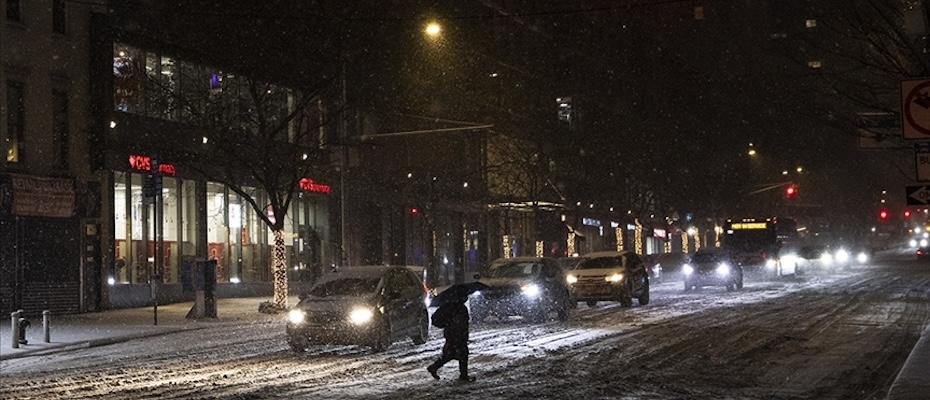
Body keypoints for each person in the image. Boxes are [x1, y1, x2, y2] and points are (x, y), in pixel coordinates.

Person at [427, 299, 475, 382]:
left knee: (451, 354)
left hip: (453, 334)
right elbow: (463, 324)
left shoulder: (448, 306)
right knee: (463, 354)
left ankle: (434, 367)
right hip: (456, 334)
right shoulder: (458, 308)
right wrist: (450, 324)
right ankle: (463, 376)